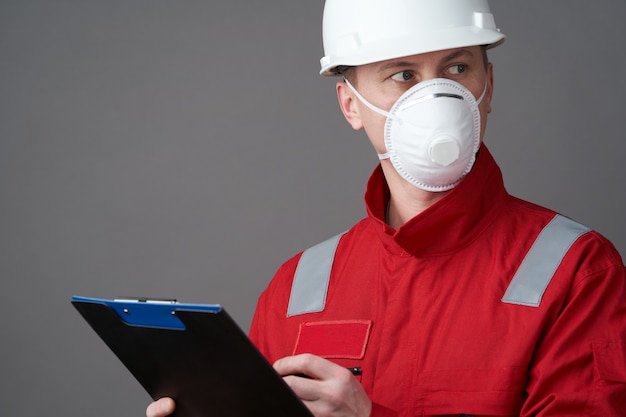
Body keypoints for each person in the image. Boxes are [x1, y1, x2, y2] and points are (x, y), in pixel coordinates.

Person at [147, 0, 626, 416]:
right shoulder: (295, 291)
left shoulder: (576, 271)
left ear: (488, 85)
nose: (438, 97)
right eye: (403, 75)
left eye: (458, 68)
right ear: (350, 105)